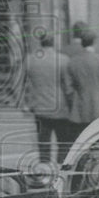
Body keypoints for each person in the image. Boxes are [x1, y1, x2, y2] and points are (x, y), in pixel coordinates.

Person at [23, 30, 72, 164]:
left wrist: (27, 102)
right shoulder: (63, 60)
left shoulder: (30, 60)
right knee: (63, 141)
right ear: (53, 43)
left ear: (41, 43)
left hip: (40, 108)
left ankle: (45, 168)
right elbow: (68, 86)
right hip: (60, 107)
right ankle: (61, 167)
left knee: (43, 142)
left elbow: (25, 84)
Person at [65, 28, 99, 142]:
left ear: (81, 43)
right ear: (94, 42)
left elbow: (68, 89)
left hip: (79, 109)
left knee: (82, 142)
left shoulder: (73, 61)